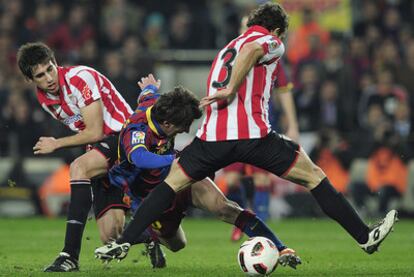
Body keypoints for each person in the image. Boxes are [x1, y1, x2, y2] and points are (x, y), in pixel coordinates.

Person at [95, 2, 398, 262]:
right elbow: (254, 50)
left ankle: (124, 241)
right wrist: (231, 89)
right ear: (277, 30)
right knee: (313, 176)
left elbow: (242, 56)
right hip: (253, 137)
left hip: (211, 139)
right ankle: (363, 236)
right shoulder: (270, 40)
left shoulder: (227, 47)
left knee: (170, 185)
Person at [97, 74, 301, 268]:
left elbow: (147, 96)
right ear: (166, 123)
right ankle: (150, 239)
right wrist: (173, 158)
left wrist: (149, 88)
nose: (185, 131)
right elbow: (139, 157)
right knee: (177, 244)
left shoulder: (158, 104)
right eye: (182, 126)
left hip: (177, 176)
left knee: (224, 207)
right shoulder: (137, 130)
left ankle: (282, 248)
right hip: (148, 193)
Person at [16, 42, 160, 272]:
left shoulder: (80, 78)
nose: (48, 78)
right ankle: (150, 234)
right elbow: (88, 133)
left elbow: (94, 131)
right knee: (110, 236)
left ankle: (69, 255)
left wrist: (56, 144)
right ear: (31, 80)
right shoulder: (45, 99)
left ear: (55, 62)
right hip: (101, 145)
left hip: (124, 136)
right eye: (40, 75)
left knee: (78, 168)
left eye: (50, 68)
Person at [225, 13, 299, 242]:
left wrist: (293, 124)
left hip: (260, 123)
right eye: (242, 25)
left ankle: (261, 232)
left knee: (261, 179)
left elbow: (283, 89)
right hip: (232, 124)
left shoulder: (269, 52)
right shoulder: (231, 53)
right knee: (230, 180)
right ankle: (245, 220)